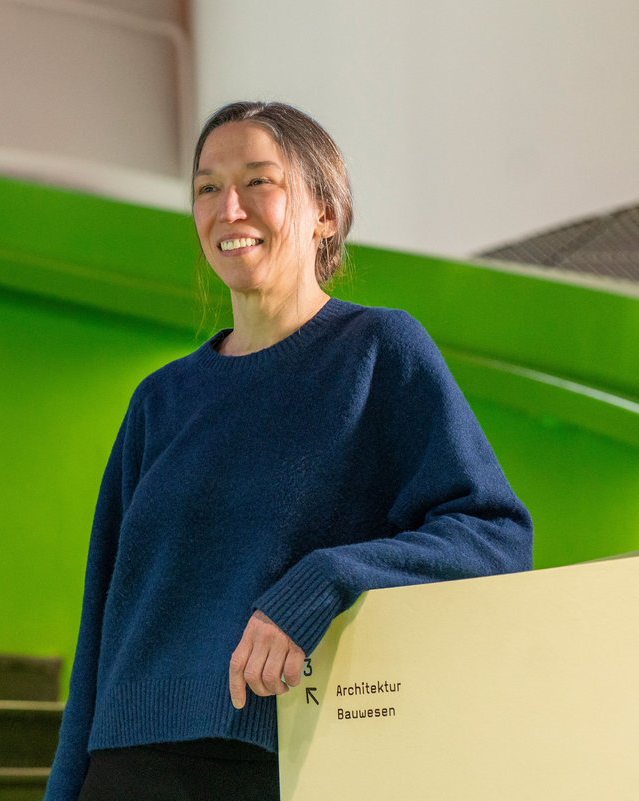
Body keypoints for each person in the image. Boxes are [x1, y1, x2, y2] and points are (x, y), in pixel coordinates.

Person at [43, 101, 533, 801]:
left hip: (283, 764)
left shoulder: (379, 352)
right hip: (125, 770)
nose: (229, 208)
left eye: (258, 181)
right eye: (208, 187)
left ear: (324, 212)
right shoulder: (160, 400)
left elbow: (494, 534)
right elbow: (101, 625)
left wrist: (324, 580)